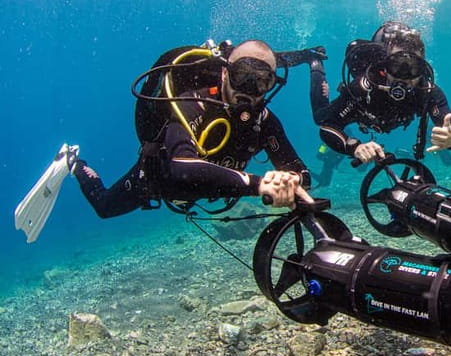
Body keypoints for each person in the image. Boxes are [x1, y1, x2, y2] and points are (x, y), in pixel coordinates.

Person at [15, 39, 315, 242]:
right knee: (105, 207)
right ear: (225, 73)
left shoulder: (265, 122)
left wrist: (289, 179)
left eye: (262, 81)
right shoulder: (191, 104)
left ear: (273, 85)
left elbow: (301, 171)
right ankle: (73, 162)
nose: (249, 90)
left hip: (212, 188)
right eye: (242, 76)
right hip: (161, 180)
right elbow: (182, 167)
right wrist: (259, 183)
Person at [309, 21, 451, 164]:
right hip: (364, 112)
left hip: (382, 119)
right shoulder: (365, 87)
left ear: (422, 69)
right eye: (396, 65)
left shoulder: (428, 92)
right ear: (385, 66)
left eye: (413, 67)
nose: (404, 76)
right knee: (319, 117)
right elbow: (327, 127)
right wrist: (354, 147)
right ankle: (315, 63)